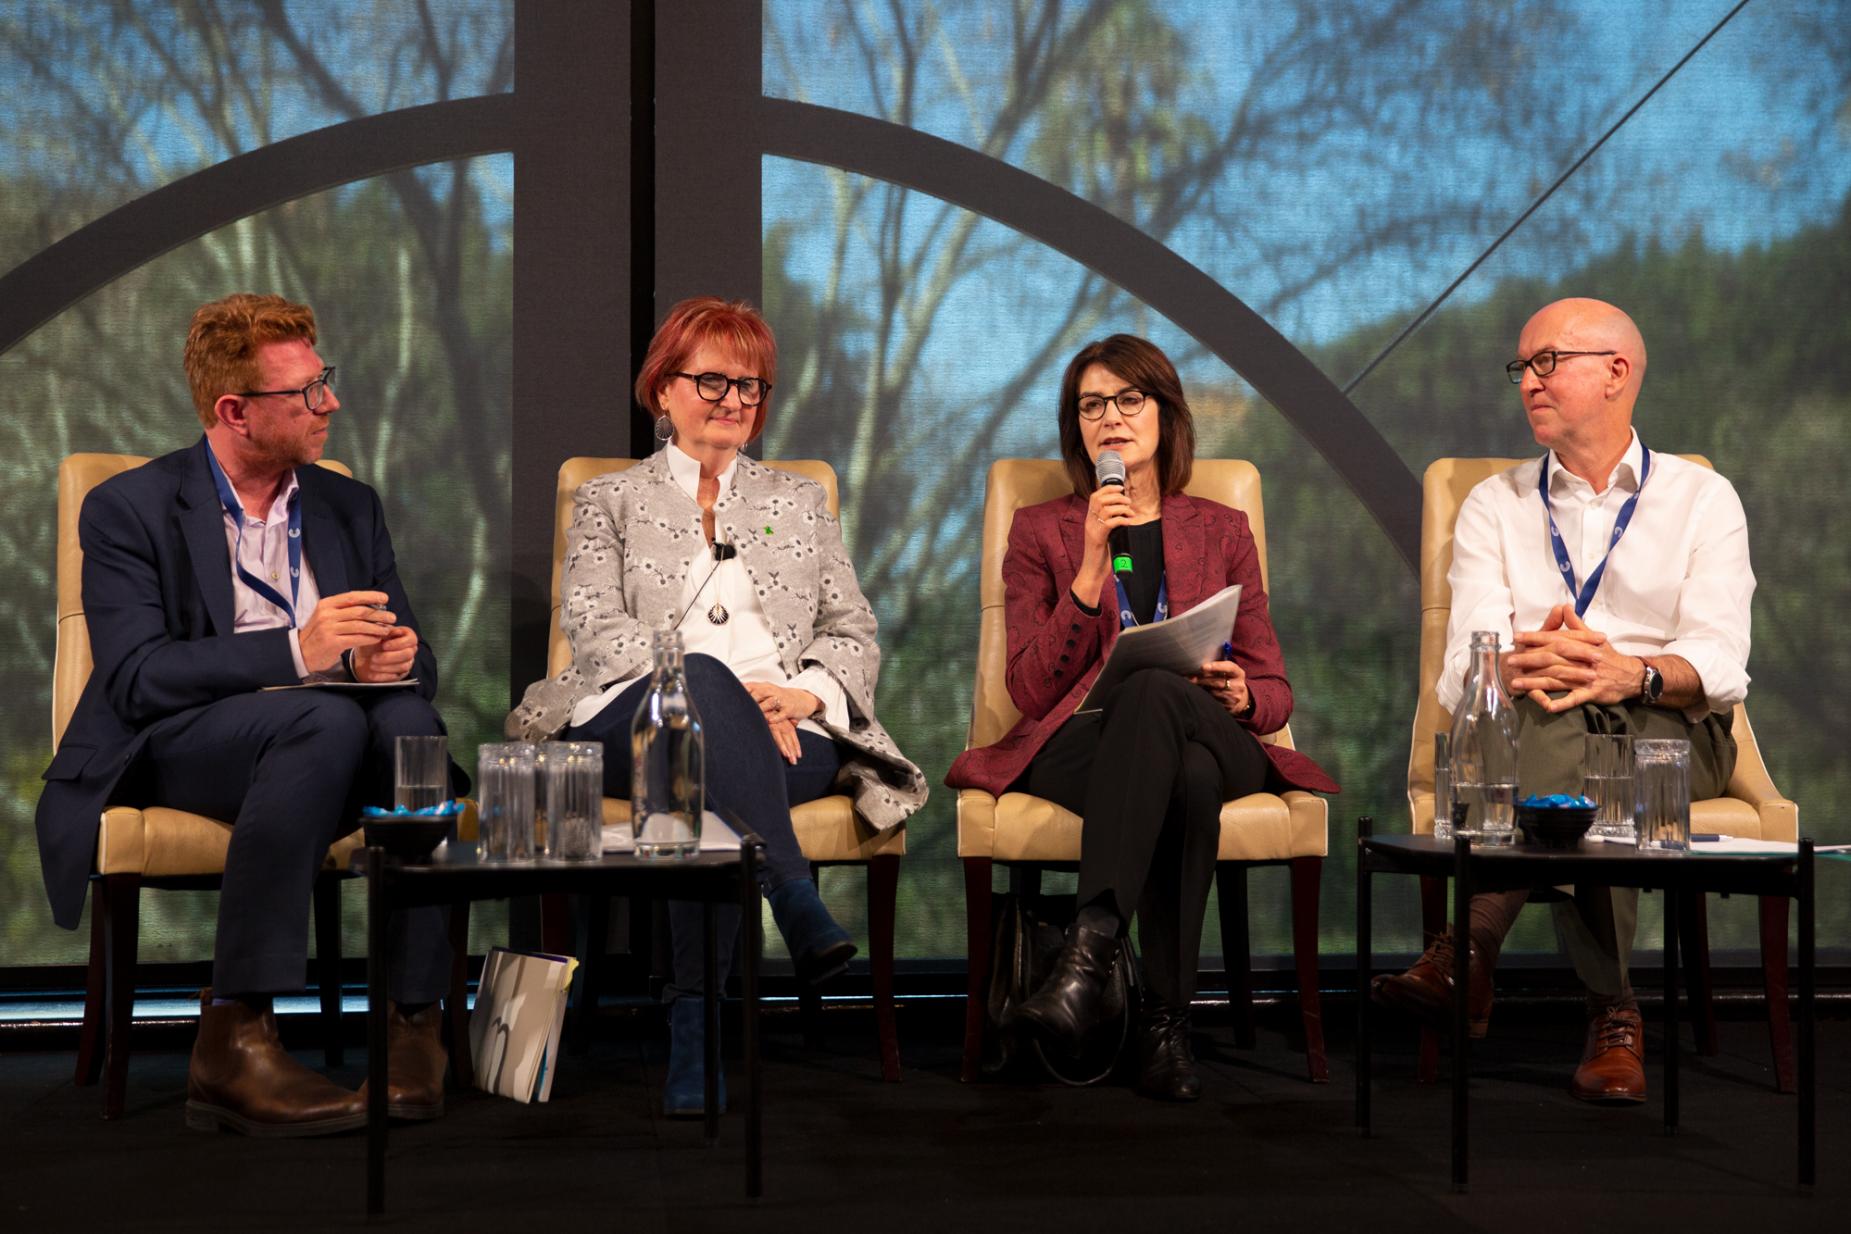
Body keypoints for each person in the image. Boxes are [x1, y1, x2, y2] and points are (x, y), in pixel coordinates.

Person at [36, 293, 462, 1136]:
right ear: (234, 412)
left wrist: (396, 659)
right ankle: (234, 1032)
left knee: (413, 729)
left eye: (324, 381)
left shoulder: (348, 505)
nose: (329, 403)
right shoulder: (130, 508)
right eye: (305, 391)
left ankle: (414, 1023)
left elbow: (421, 664)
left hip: (324, 745)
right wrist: (298, 656)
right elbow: (136, 677)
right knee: (327, 721)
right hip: (175, 743)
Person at [508, 296, 926, 1117]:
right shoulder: (609, 499)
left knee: (691, 767)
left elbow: (853, 627)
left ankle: (693, 1027)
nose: (735, 401)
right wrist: (718, 689)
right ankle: (790, 893)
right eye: (713, 381)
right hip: (623, 712)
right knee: (694, 684)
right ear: (662, 388)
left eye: (752, 387)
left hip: (783, 730)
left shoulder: (797, 500)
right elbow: (594, 627)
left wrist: (804, 693)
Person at [1372, 297, 1752, 1104]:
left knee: (1586, 725)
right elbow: (1459, 673)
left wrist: (1628, 672)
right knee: (1566, 722)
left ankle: (1466, 950)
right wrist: (1536, 667)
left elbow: (1718, 662)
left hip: (1673, 733)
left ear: (1616, 373)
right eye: (1522, 367)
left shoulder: (1699, 499)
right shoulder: (1494, 504)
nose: (1528, 383)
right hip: (1536, 722)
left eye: (1548, 361)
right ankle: (1612, 1013)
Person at [945, 334, 1338, 1102]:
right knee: (1180, 773)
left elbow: (1275, 686)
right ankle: (1164, 1028)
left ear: (1165, 415)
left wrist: (1240, 696)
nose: (1111, 419)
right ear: (1076, 427)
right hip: (1081, 744)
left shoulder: (1220, 529)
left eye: (1130, 399)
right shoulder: (1040, 532)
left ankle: (1085, 960)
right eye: (1091, 405)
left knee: (1162, 697)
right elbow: (1028, 690)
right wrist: (1090, 570)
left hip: (1212, 729)